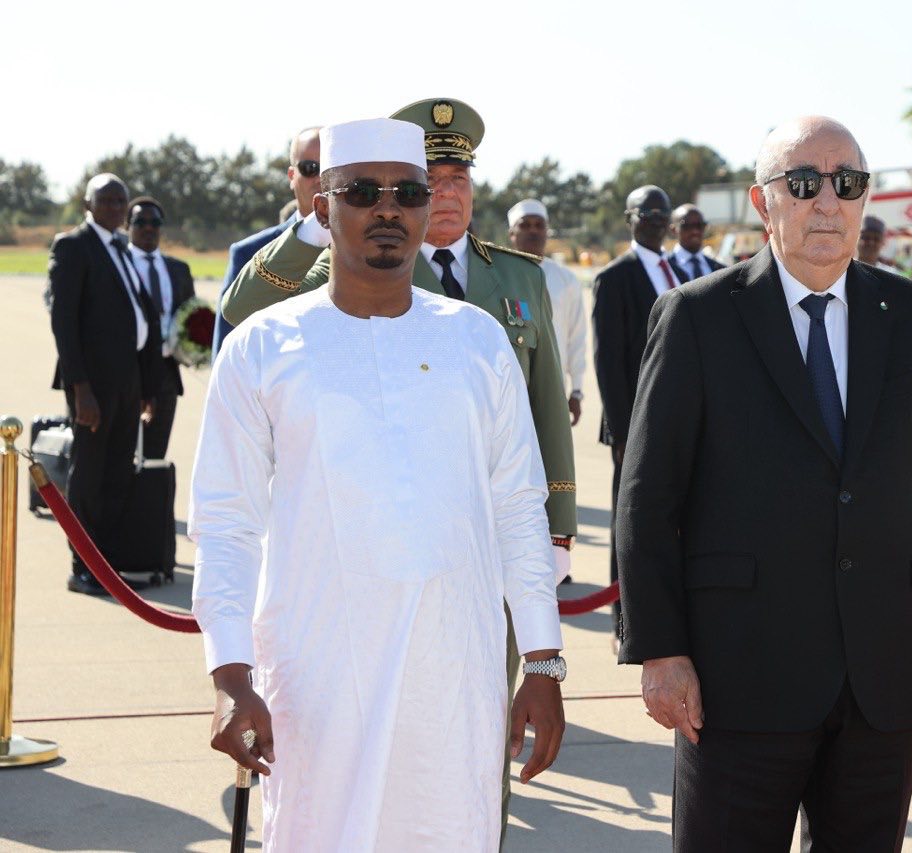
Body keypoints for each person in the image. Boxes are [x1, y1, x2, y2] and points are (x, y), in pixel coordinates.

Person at [616, 117, 912, 852]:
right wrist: (659, 650)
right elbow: (648, 500)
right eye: (804, 182)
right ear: (763, 201)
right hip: (737, 678)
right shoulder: (697, 317)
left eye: (847, 183)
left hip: (884, 674)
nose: (828, 201)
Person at [191, 118, 566, 851]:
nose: (387, 209)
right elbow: (226, 521)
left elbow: (519, 507)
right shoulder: (262, 346)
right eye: (363, 192)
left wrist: (543, 662)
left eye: (408, 193)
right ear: (322, 207)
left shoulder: (478, 339)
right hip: (317, 671)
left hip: (453, 670)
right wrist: (230, 676)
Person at [48, 174, 163, 596]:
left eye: (121, 201)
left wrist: (146, 385)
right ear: (88, 204)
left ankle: (107, 565)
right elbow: (64, 322)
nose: (115, 207)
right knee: (90, 476)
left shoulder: (120, 248)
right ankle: (82, 567)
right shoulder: (73, 246)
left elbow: (138, 315)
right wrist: (79, 388)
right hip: (93, 386)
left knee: (117, 473)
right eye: (107, 200)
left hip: (127, 381)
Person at [591, 184, 675, 642]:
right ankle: (624, 619)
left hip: (675, 419)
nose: (656, 222)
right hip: (634, 425)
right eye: (647, 214)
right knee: (629, 521)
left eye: (662, 215)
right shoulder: (615, 277)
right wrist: (624, 433)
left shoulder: (675, 270)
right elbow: (607, 360)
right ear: (630, 219)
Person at [211, 126, 321, 357]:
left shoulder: (363, 246)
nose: (320, 178)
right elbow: (227, 350)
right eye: (310, 168)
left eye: (329, 168)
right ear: (292, 176)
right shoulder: (248, 252)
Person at [507, 198, 587, 427]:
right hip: (507, 392)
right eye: (525, 225)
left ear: (547, 231)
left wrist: (577, 390)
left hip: (553, 388)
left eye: (539, 225)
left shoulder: (566, 279)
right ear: (512, 233)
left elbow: (577, 338)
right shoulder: (499, 277)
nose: (533, 231)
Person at [126, 197, 194, 459]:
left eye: (155, 222)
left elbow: (191, 317)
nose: (148, 227)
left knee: (156, 456)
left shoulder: (179, 270)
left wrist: (194, 348)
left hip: (165, 373)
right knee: (124, 454)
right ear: (127, 226)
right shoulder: (118, 264)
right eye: (140, 222)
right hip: (128, 370)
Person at [667, 203, 725, 283]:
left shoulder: (719, 269)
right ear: (673, 230)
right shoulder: (666, 268)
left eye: (699, 225)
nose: (695, 231)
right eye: (687, 226)